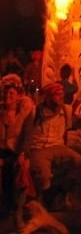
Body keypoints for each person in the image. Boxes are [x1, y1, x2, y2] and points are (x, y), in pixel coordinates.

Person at [24, 82, 81, 198]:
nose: (61, 97)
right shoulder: (35, 112)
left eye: (62, 94)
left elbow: (66, 131)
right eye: (57, 94)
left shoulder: (66, 110)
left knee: (79, 162)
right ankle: (42, 199)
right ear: (48, 97)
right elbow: (27, 134)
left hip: (58, 146)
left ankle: (62, 193)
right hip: (39, 148)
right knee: (43, 176)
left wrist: (65, 148)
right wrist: (25, 154)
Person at [0, 74, 35, 229]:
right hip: (1, 152)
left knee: (20, 174)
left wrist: (23, 154)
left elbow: (27, 136)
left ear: (17, 96)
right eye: (6, 93)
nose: (8, 96)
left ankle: (18, 212)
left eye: (11, 94)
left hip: (16, 152)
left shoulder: (25, 113)